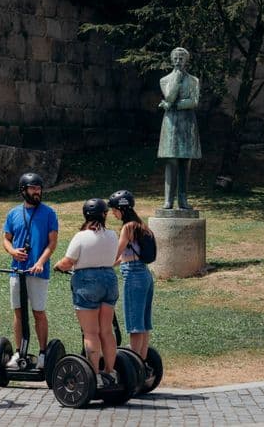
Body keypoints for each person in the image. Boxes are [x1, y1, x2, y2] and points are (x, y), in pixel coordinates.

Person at [53, 198, 120, 388]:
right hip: (109, 279)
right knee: (106, 331)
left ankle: (95, 375)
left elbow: (68, 262)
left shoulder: (81, 237)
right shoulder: (112, 235)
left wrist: (57, 266)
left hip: (87, 281)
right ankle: (110, 372)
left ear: (86, 215)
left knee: (90, 333)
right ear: (104, 215)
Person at [2, 172, 59, 369]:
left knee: (38, 312)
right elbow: (6, 239)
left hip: (38, 271)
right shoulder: (13, 214)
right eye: (33, 188)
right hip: (17, 271)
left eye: (39, 188)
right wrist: (12, 251)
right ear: (23, 190)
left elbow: (52, 243)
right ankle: (19, 352)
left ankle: (43, 353)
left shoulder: (49, 213)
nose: (37, 192)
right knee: (18, 312)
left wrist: (41, 262)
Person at [109, 190, 155, 371]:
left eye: (114, 210)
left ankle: (135, 369)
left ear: (122, 209)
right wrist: (111, 265)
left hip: (134, 277)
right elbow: (126, 256)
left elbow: (117, 253)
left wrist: (100, 264)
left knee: (135, 324)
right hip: (145, 275)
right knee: (143, 323)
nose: (113, 213)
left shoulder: (128, 227)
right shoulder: (141, 225)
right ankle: (142, 364)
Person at [158, 46, 201, 209]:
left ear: (186, 61)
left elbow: (194, 102)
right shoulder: (165, 80)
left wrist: (174, 105)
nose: (178, 61)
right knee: (171, 160)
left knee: (185, 161)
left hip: (187, 123)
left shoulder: (194, 80)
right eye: (175, 58)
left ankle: (183, 199)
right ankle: (168, 200)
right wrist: (176, 79)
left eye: (181, 58)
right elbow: (169, 96)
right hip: (171, 123)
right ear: (171, 60)